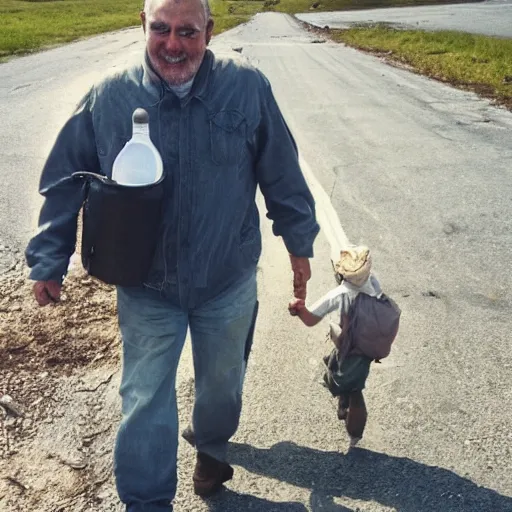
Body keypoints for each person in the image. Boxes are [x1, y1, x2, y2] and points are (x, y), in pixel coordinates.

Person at [25, 0, 320, 510]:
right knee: (144, 399)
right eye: (160, 29)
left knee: (222, 387)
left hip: (226, 277)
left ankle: (210, 447)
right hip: (147, 285)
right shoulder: (109, 96)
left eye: (188, 31)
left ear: (211, 30)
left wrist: (299, 242)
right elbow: (64, 179)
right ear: (143, 25)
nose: (173, 44)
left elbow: (281, 170)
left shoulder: (246, 88)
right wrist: (50, 257)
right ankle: (146, 502)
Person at [288, 246, 380, 448]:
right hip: (368, 346)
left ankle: (355, 433)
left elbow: (311, 319)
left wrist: (297, 307)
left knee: (354, 387)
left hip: (350, 348)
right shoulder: (373, 283)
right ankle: (342, 404)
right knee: (340, 368)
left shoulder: (341, 293)